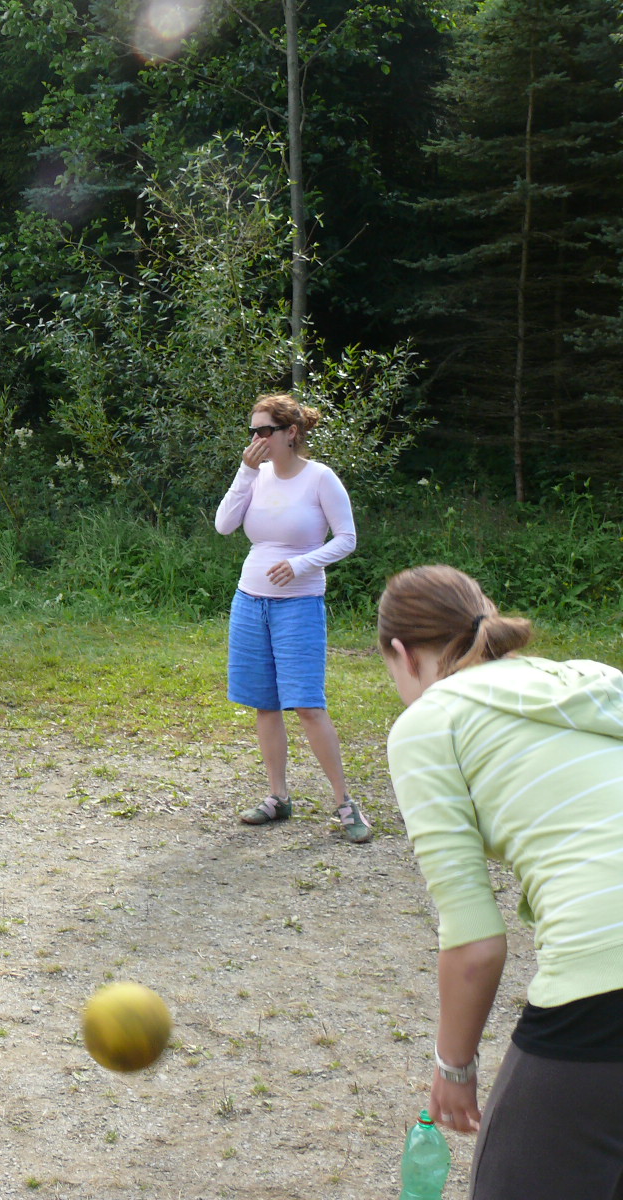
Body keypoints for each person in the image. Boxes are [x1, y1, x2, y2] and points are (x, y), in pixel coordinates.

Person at [380, 565, 623, 1199]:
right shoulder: (592, 681)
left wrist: (453, 1066)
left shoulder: (430, 722)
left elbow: (476, 943)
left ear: (402, 653)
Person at [214, 392, 369, 842]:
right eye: (252, 431)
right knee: (265, 703)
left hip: (298, 604)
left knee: (307, 704)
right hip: (250, 601)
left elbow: (346, 539)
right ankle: (278, 797)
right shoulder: (255, 475)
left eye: (265, 430)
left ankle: (345, 803)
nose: (256, 439)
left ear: (291, 433)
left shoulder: (320, 478)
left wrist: (302, 564)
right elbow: (224, 525)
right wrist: (245, 472)